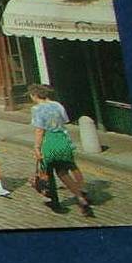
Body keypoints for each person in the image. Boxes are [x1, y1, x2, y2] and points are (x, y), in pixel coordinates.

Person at [29, 84, 93, 217]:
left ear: (35, 95)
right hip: (63, 140)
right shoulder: (58, 105)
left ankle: (54, 201)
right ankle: (81, 197)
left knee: (47, 173)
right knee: (63, 171)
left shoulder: (37, 109)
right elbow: (65, 121)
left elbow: (40, 130)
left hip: (49, 141)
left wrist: (36, 147)